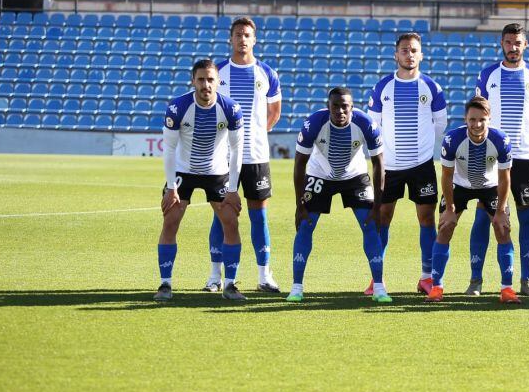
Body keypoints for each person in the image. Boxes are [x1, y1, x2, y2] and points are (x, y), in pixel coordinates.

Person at [285, 88, 389, 304]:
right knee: (305, 225)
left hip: (354, 175)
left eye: (345, 106)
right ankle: (296, 287)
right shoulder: (314, 123)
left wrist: (377, 206)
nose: (340, 111)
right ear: (328, 106)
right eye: (336, 106)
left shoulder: (366, 124)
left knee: (370, 225)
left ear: (352, 107)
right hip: (320, 174)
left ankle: (379, 287)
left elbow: (379, 164)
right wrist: (299, 204)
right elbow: (299, 164)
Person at [154, 59, 245, 302]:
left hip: (216, 172)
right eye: (201, 79)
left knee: (231, 222)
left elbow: (237, 151)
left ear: (218, 82)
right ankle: (165, 284)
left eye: (210, 79)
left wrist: (234, 190)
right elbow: (169, 150)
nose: (206, 84)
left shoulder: (231, 108)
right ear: (193, 81)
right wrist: (171, 188)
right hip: (184, 171)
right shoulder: (178, 107)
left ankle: (229, 284)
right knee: (171, 220)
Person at [472, 23, 529, 297]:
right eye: (508, 42)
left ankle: (526, 280)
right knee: (484, 218)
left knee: (528, 219)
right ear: (501, 43)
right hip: (491, 160)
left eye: (518, 43)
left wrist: (521, 143)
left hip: (526, 158)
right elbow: (480, 114)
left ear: (525, 45)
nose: (513, 48)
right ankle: (476, 281)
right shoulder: (488, 75)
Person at [367, 32, 447, 295]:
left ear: (420, 54)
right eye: (404, 50)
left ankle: (426, 277)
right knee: (382, 219)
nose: (409, 55)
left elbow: (440, 125)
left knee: (426, 219)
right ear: (396, 54)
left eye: (413, 50)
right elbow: (373, 127)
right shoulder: (382, 87)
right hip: (388, 167)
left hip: (421, 165)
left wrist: (421, 150)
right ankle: (376, 279)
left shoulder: (432, 88)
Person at [207, 16, 282, 293]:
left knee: (259, 216)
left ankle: (264, 275)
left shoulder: (267, 74)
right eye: (238, 34)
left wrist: (255, 134)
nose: (242, 39)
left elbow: (274, 112)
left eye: (247, 35)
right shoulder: (219, 72)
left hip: (256, 157)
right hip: (223, 158)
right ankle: (215, 276)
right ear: (231, 38)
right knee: (222, 215)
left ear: (254, 39)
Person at [426, 96, 520, 304]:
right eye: (472, 120)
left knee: (502, 229)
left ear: (489, 119)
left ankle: (507, 289)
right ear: (465, 119)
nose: (477, 125)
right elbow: (446, 176)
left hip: (490, 187)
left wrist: (501, 210)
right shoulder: (452, 140)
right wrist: (449, 207)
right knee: (445, 227)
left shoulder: (501, 140)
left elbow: (505, 178)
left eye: (481, 120)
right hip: (459, 187)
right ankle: (437, 287)